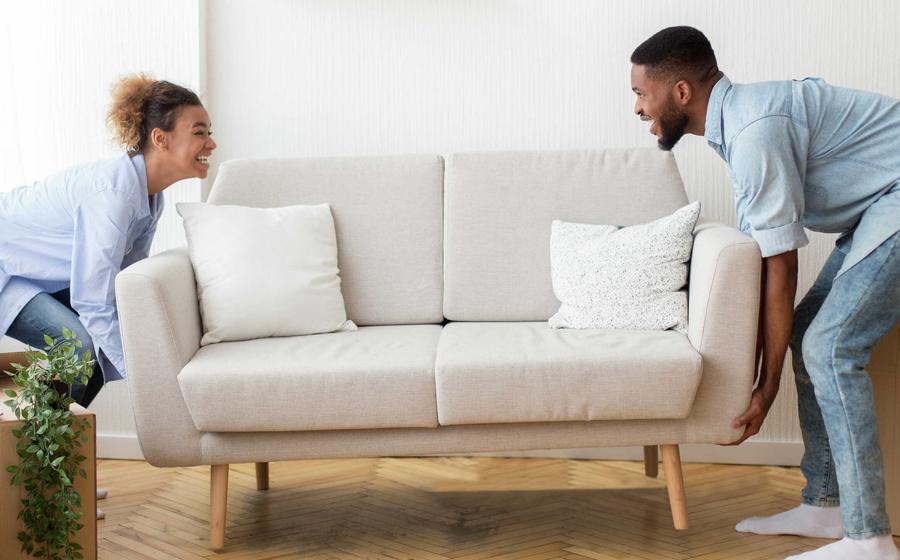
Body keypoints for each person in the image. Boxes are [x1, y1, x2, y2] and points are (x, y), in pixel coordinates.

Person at [630, 26, 900, 560]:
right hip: (878, 209)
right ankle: (826, 505)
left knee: (829, 347)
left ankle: (869, 538)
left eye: (642, 93)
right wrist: (756, 374)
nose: (637, 108)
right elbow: (762, 261)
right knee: (807, 332)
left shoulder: (754, 131)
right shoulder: (740, 125)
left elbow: (782, 266)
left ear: (681, 92)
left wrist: (766, 385)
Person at [0, 75, 215, 517]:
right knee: (79, 348)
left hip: (35, 273)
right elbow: (94, 301)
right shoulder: (115, 193)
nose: (210, 143)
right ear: (160, 138)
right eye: (200, 132)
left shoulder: (148, 197)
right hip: (7, 265)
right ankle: (42, 483)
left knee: (90, 352)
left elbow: (124, 287)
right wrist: (147, 376)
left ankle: (47, 475)